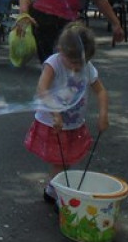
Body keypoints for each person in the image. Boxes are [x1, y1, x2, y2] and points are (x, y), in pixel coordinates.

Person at [24, 23, 110, 206]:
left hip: (74, 123)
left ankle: (51, 190)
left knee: (65, 161)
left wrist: (103, 114)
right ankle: (59, 198)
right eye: (74, 62)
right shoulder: (53, 63)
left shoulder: (87, 66)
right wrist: (55, 113)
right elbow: (42, 88)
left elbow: (101, 91)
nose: (78, 67)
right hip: (53, 123)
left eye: (82, 62)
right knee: (60, 163)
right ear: (60, 50)